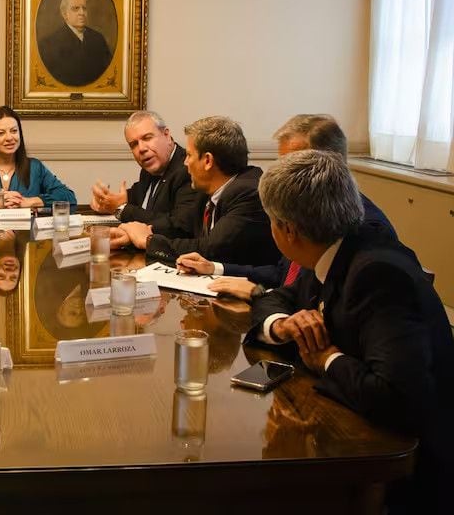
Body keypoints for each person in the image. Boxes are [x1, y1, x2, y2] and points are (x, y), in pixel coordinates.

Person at [247, 150, 453, 513]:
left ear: (288, 230)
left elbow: (398, 397)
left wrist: (328, 359)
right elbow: (278, 297)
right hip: (354, 426)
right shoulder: (332, 245)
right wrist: (282, 324)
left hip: (410, 474)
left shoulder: (376, 274)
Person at [176, 114, 395, 300]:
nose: (280, 173)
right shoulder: (304, 211)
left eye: (292, 164)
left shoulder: (360, 228)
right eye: (281, 163)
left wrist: (259, 294)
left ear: (326, 165)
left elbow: (316, 306)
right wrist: (214, 269)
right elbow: (282, 274)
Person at [110, 116, 279, 267]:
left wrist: (148, 241)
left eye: (189, 155)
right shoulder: (207, 191)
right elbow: (185, 230)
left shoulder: (247, 192)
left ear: (207, 161)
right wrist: (131, 237)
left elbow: (210, 249)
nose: (185, 163)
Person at [91, 110, 200, 238]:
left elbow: (179, 226)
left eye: (147, 138)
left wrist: (120, 209)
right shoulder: (150, 168)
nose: (141, 149)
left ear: (167, 135)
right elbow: (138, 196)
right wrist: (106, 201)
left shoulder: (187, 169)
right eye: (134, 144)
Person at [37, 0, 113, 87]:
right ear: (64, 14)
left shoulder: (98, 38)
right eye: (75, 8)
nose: (82, 12)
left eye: (84, 8)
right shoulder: (49, 44)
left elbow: (108, 73)